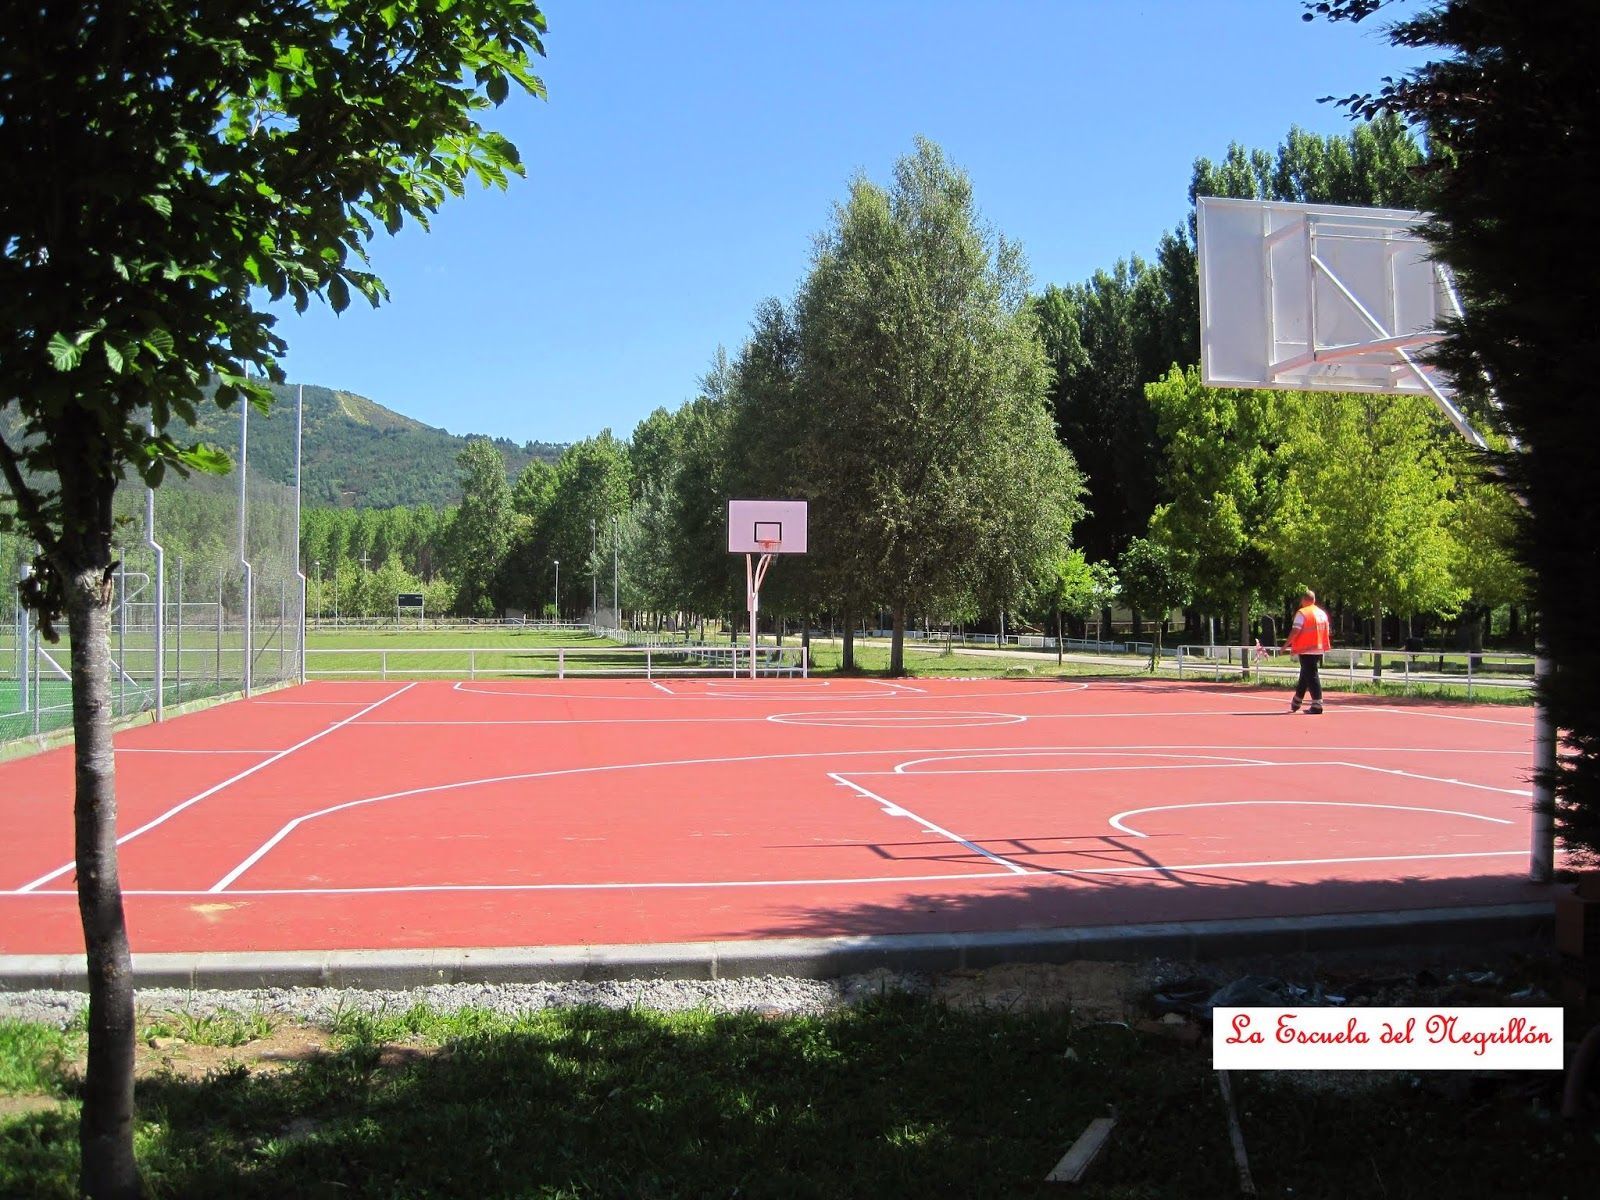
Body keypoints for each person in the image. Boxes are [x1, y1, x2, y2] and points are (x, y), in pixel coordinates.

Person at [1279, 589, 1332, 714]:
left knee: (1311, 674)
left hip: (1306, 648)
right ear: (1314, 600)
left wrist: (1285, 645)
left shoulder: (1302, 613)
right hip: (1319, 647)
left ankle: (1317, 704)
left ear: (1304, 600)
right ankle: (1297, 701)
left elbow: (1295, 631)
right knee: (1306, 673)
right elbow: (1327, 630)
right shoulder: (1321, 613)